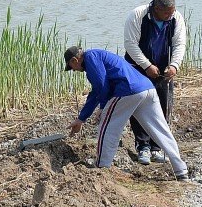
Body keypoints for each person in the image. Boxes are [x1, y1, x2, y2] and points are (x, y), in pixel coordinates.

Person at [66, 45, 191, 180]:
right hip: (148, 89)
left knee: (107, 127)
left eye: (71, 67)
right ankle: (181, 170)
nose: (74, 71)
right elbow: (100, 87)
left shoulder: (90, 58)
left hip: (128, 91)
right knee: (161, 130)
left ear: (75, 60)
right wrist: (82, 118)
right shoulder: (98, 54)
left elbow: (100, 87)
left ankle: (101, 168)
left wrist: (100, 109)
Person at [123, 0, 187, 166]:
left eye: (172, 12)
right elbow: (130, 44)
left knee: (162, 106)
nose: (170, 16)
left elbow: (179, 43)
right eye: (167, 13)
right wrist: (146, 65)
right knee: (140, 107)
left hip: (162, 69)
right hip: (138, 68)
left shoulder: (176, 18)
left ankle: (156, 147)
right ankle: (142, 146)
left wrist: (174, 65)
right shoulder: (138, 15)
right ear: (157, 8)